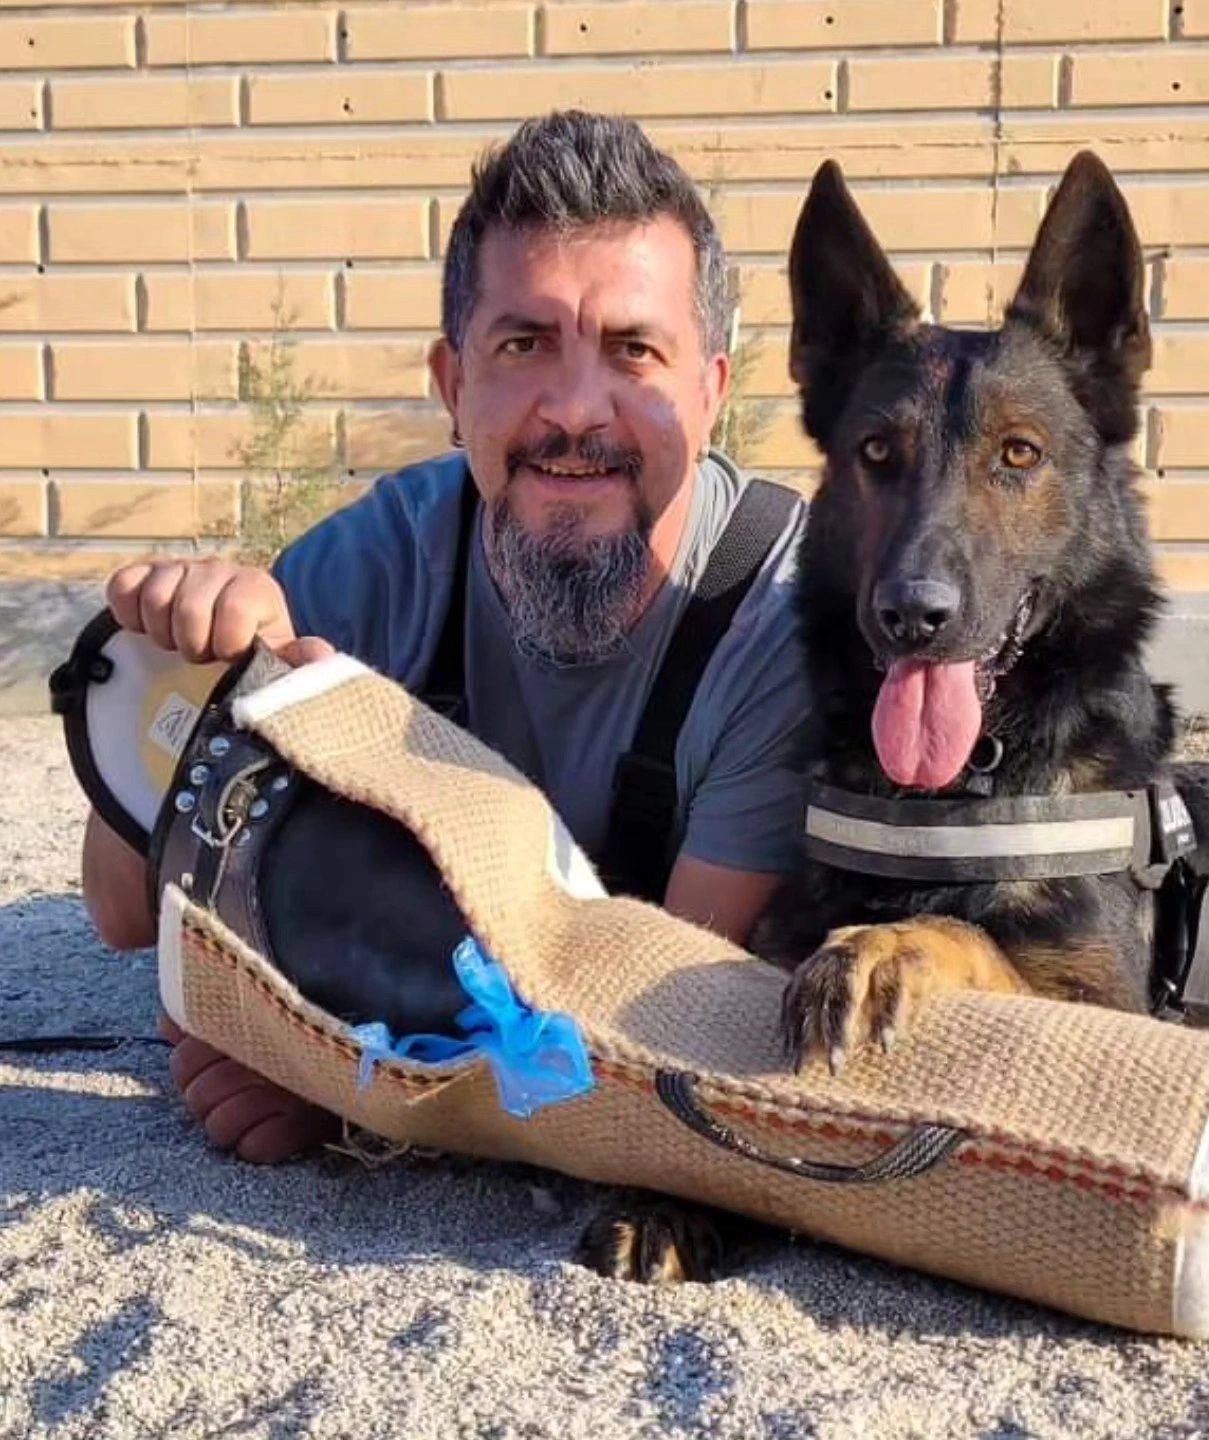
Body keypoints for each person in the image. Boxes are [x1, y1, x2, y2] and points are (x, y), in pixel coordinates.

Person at [81, 111, 813, 1165]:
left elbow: (667, 1035)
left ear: (711, 393)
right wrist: (187, 677)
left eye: (633, 350)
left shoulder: (780, 619)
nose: (577, 409)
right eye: (524, 344)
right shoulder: (375, 564)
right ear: (452, 385)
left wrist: (334, 1069)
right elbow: (120, 911)